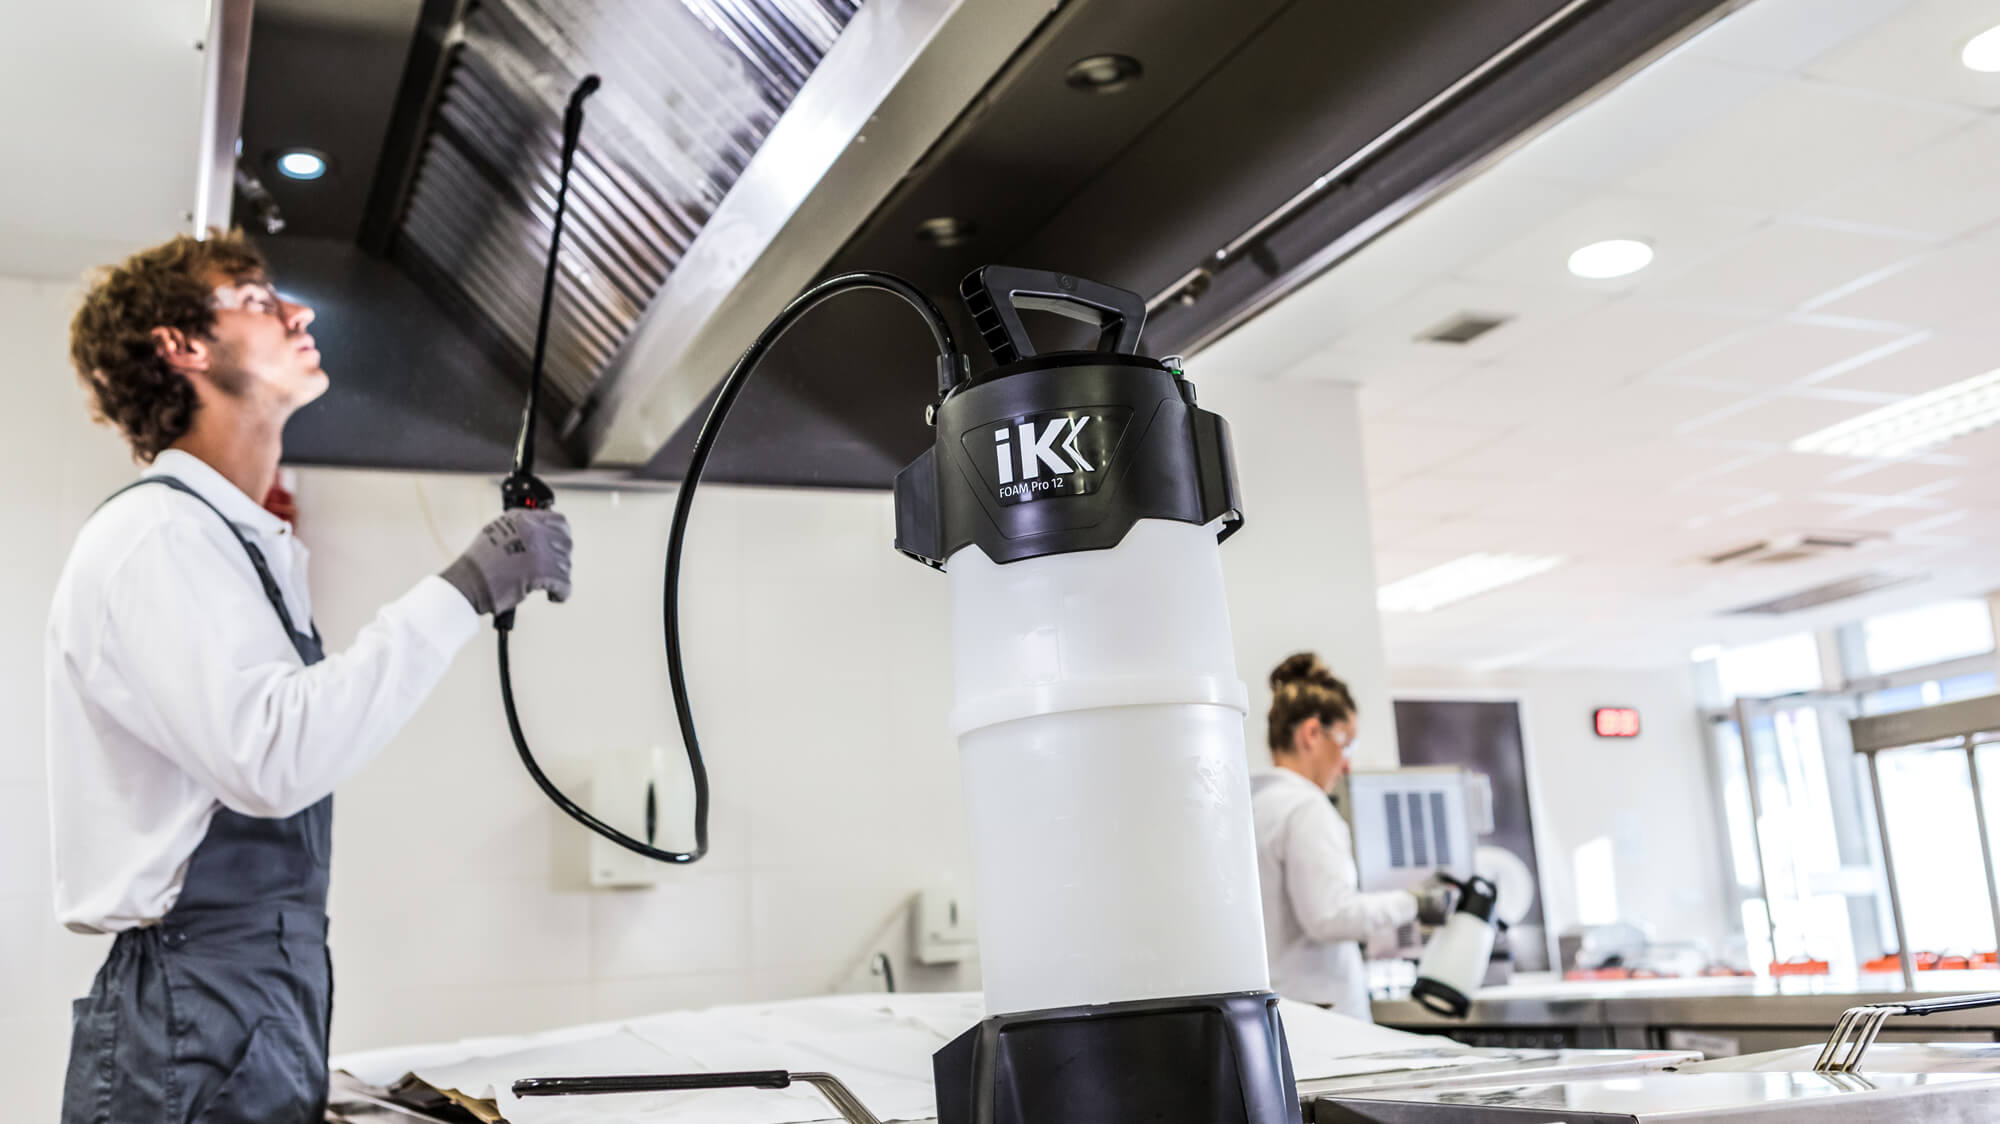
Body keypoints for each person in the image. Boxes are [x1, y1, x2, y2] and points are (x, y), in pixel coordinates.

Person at [49, 230, 573, 1124]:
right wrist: (463, 591)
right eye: (258, 300)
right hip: (197, 995)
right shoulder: (157, 536)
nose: (300, 311)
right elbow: (274, 753)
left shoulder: (230, 542)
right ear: (181, 345)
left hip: (255, 990)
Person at [1249, 652, 1448, 1021]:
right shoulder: (1306, 808)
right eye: (1347, 744)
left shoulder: (1253, 807)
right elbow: (1329, 916)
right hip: (1321, 1018)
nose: (1346, 764)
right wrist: (1413, 903)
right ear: (1312, 733)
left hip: (1281, 1011)